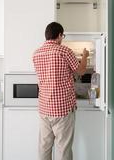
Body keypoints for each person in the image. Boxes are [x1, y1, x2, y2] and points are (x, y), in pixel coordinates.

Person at [33, 22, 89, 160]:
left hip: (44, 109)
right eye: (62, 36)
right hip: (62, 110)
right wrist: (85, 56)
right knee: (63, 148)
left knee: (44, 147)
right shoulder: (64, 51)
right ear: (59, 35)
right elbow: (81, 71)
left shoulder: (36, 54)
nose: (62, 38)